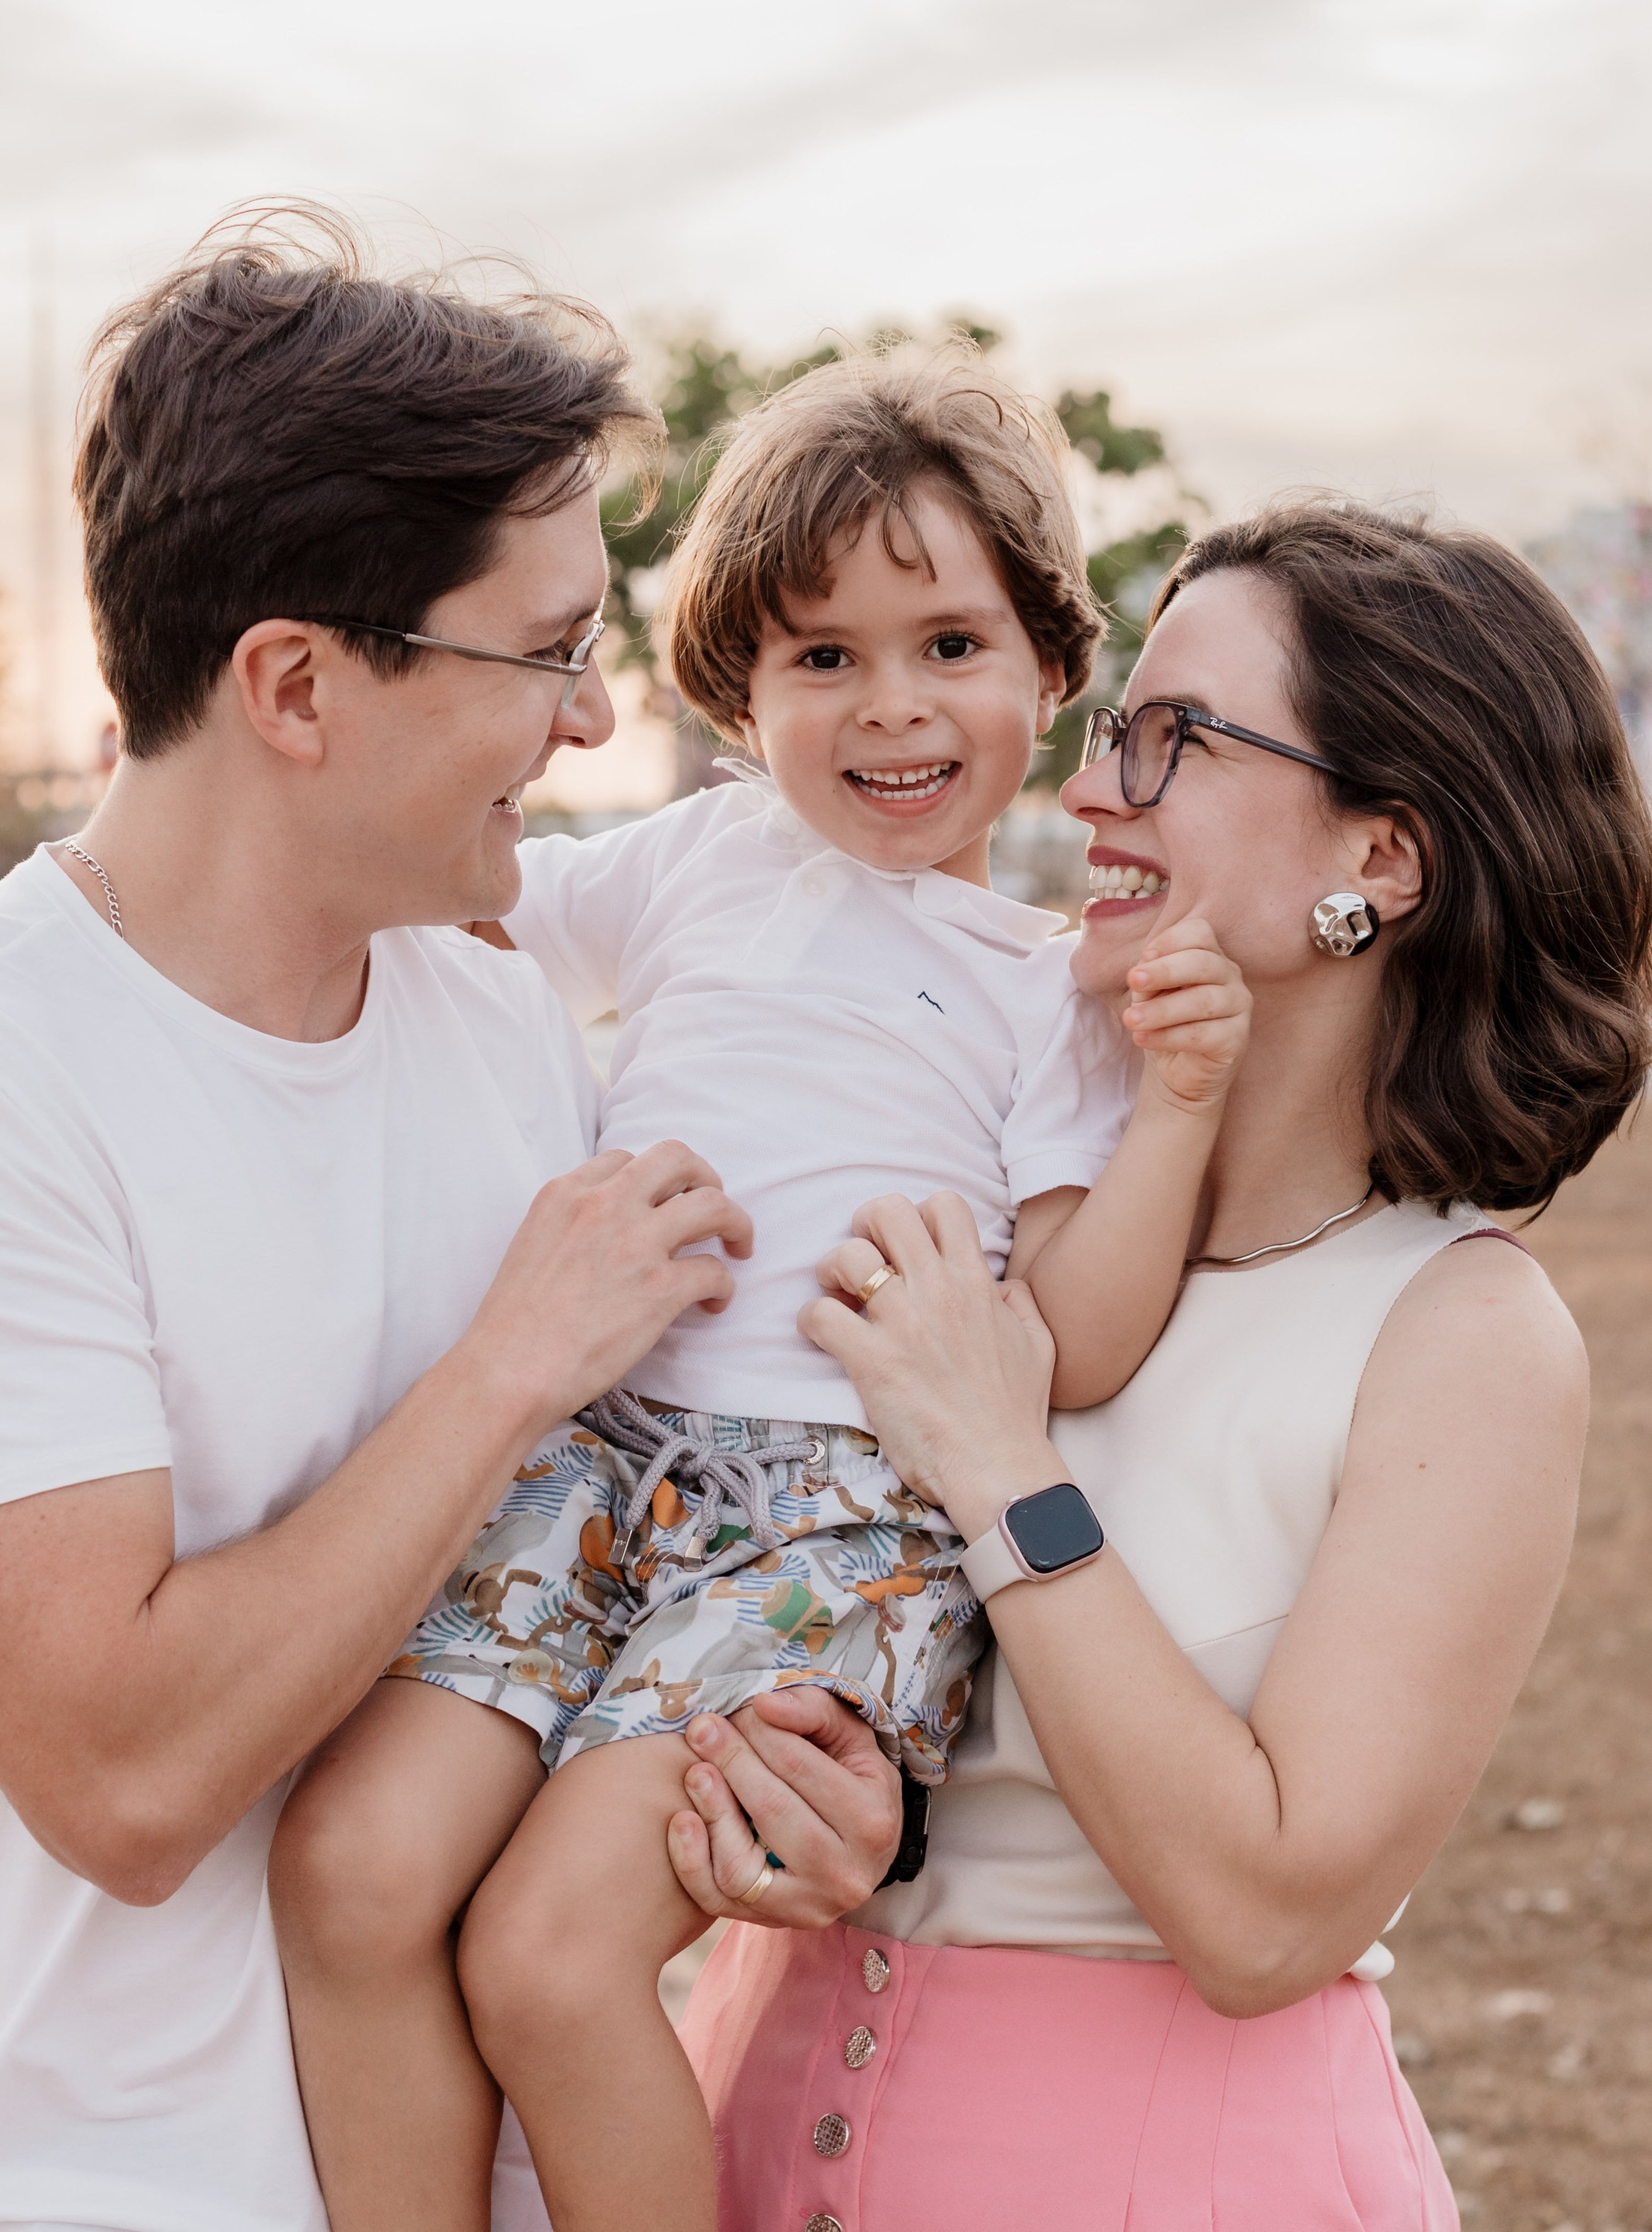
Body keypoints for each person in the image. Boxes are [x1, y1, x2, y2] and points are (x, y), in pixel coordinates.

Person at [0, 214, 901, 2232]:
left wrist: (785, 1762)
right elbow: (131, 1781)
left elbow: (597, 1581)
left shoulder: (494, 1011)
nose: (595, 718)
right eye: (544, 652)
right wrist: (506, 1367)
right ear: (292, 684)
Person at [270, 353, 1255, 2232]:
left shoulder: (1044, 988)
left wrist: (1179, 1105)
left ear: (1049, 669)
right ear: (735, 697)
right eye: (820, 657)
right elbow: (459, 904)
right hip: (587, 1452)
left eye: (948, 643)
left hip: (834, 1518)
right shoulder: (694, 862)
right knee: (350, 1867)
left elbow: (1082, 1330)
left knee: (553, 1960)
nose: (890, 706)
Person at [670, 496, 1652, 2230]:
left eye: (1171, 740)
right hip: (731, 2142)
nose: (1086, 791)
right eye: (1111, 730)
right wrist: (833, 1823)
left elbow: (1265, 1916)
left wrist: (1001, 1470)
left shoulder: (1457, 1337)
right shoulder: (969, 1173)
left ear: (1378, 859)